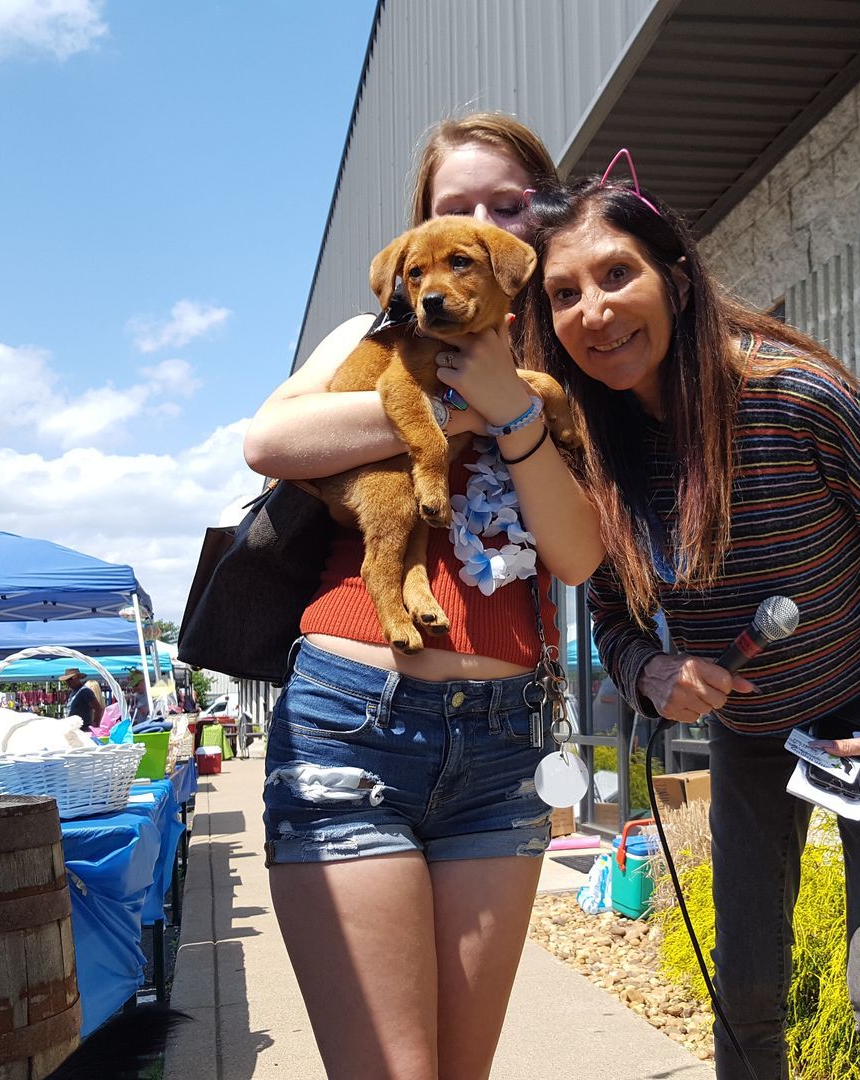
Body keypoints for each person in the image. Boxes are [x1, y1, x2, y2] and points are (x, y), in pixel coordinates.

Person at [523, 164, 860, 1079]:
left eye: (615, 276)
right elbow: (611, 609)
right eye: (564, 295)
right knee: (746, 991)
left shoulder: (796, 398)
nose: (594, 311)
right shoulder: (592, 456)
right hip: (755, 738)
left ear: (673, 280)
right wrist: (647, 671)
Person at [241, 112, 603, 1080]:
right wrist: (447, 404)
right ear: (420, 237)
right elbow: (269, 441)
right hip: (355, 721)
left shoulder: (567, 358)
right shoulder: (371, 336)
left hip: (501, 746)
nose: (481, 225)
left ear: (534, 232)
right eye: (456, 209)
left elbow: (576, 556)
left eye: (507, 206)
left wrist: (517, 408)